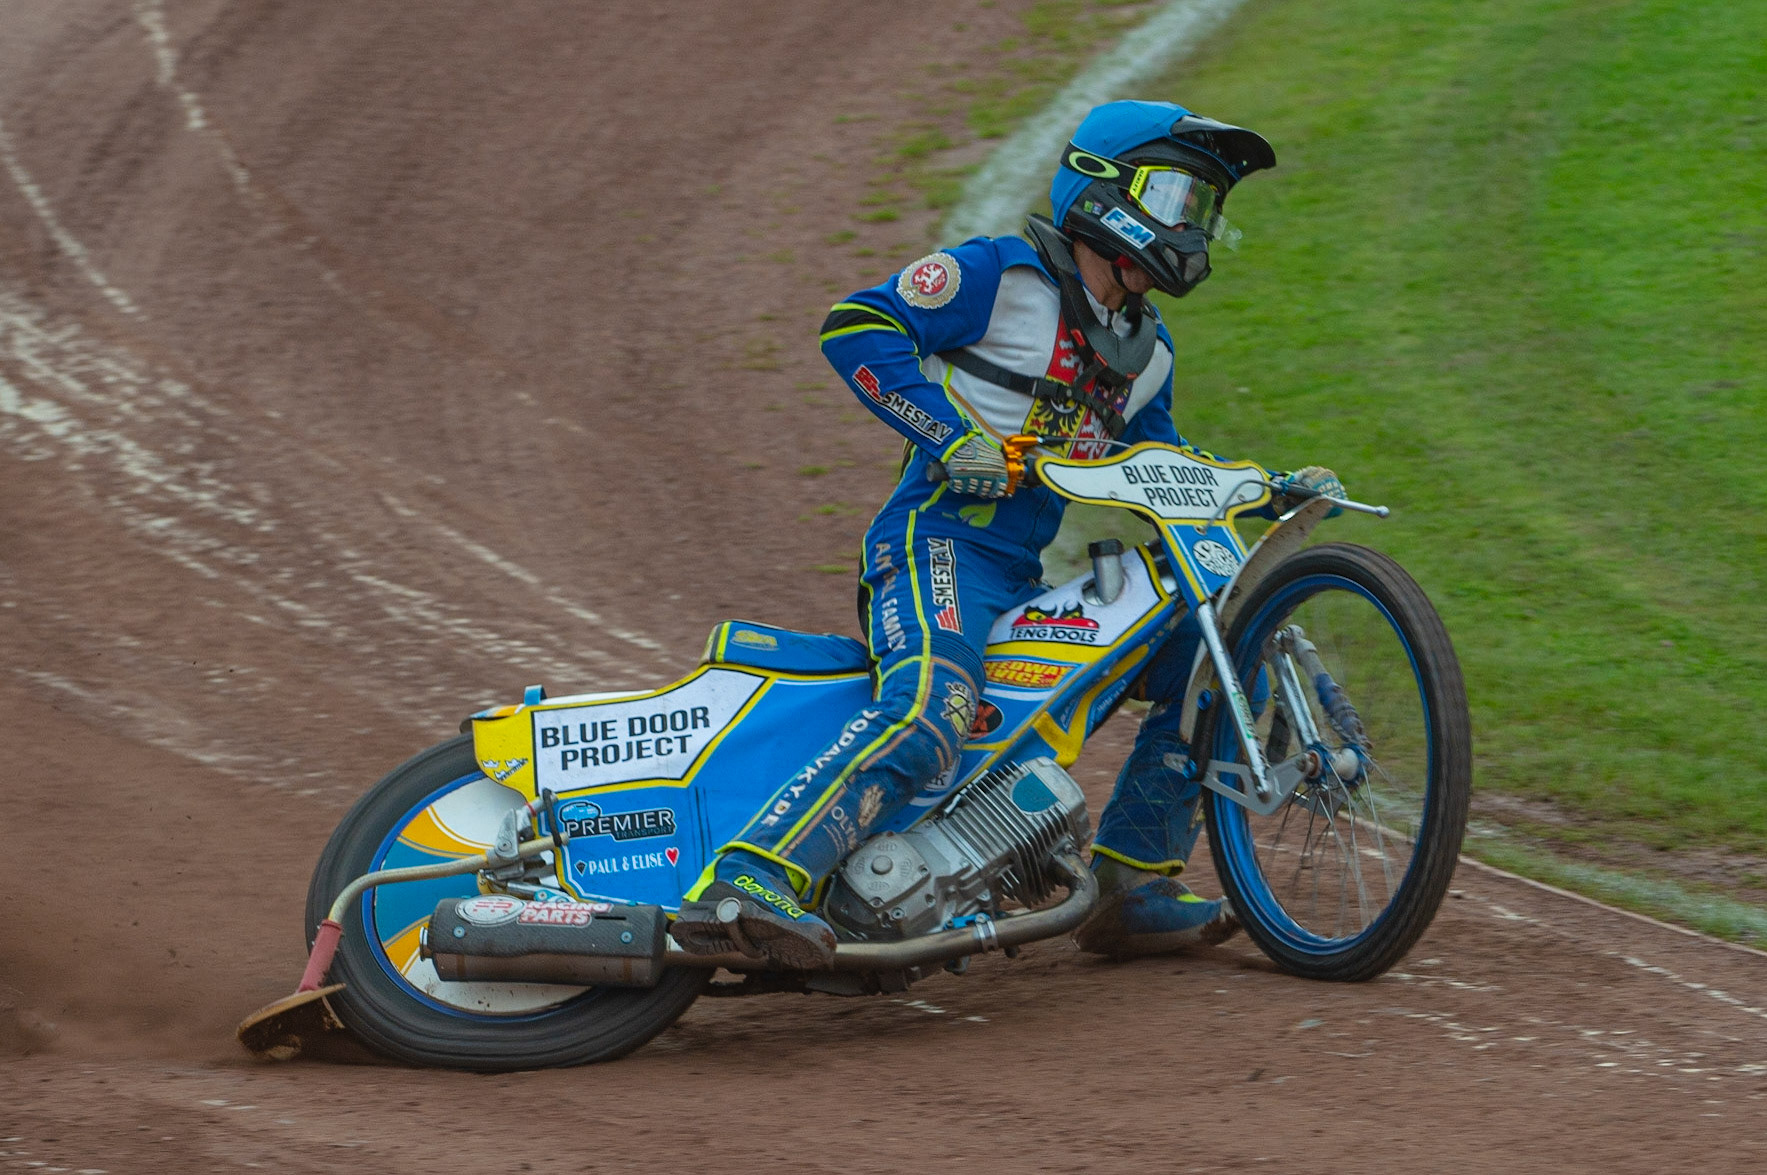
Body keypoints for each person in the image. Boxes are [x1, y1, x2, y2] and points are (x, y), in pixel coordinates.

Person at [671, 99, 1345, 968]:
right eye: (1181, 200)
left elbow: (1160, 468)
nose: (1195, 228)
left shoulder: (1148, 352)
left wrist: (1264, 488)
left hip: (1017, 571)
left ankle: (1127, 888)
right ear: (1108, 193)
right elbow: (857, 325)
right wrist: (949, 436)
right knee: (934, 708)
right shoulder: (997, 275)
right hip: (933, 544)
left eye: (1204, 210)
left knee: (1202, 654)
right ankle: (748, 877)